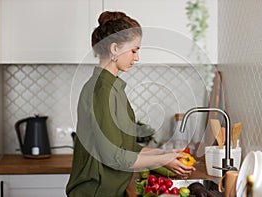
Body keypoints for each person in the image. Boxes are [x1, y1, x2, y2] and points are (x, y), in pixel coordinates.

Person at [66, 11, 196, 197]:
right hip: (95, 192)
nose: (137, 58)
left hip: (110, 190)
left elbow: (123, 147)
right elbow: (113, 156)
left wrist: (162, 154)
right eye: (134, 50)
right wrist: (162, 160)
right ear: (114, 49)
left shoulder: (112, 88)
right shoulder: (101, 90)